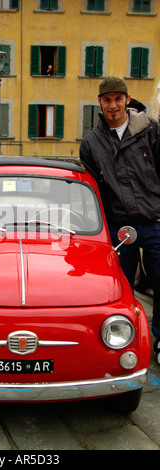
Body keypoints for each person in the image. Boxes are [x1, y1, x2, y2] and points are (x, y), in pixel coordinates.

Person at [79, 76, 160, 361]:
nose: (112, 105)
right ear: (99, 103)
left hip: (154, 221)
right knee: (120, 286)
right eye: (106, 100)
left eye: (117, 99)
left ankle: (159, 336)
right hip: (117, 226)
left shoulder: (150, 130)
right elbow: (93, 189)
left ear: (127, 99)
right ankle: (124, 339)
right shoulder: (92, 142)